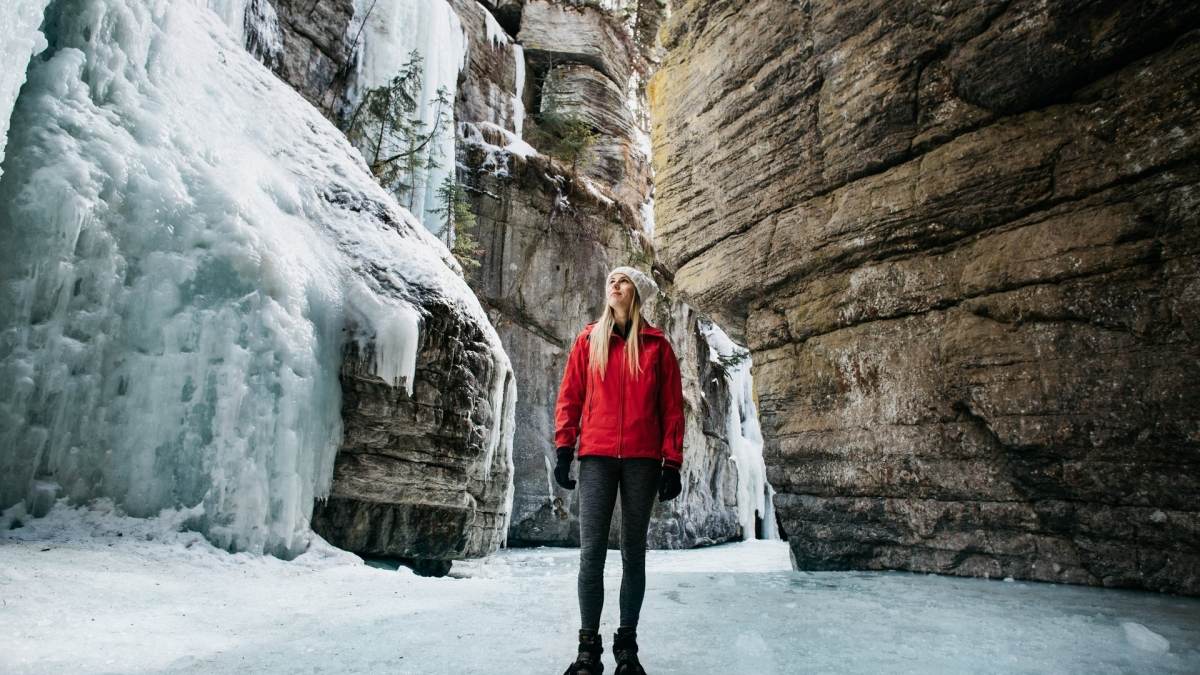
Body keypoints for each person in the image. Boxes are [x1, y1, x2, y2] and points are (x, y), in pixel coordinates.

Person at [553, 266, 685, 675]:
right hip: (596, 457)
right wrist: (563, 448)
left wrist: (672, 462)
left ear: (637, 294)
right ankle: (587, 650)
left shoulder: (657, 347)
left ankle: (626, 648)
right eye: (611, 279)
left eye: (623, 280)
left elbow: (671, 409)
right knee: (591, 554)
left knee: (634, 554)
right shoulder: (587, 340)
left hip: (643, 461)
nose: (614, 284)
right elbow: (570, 397)